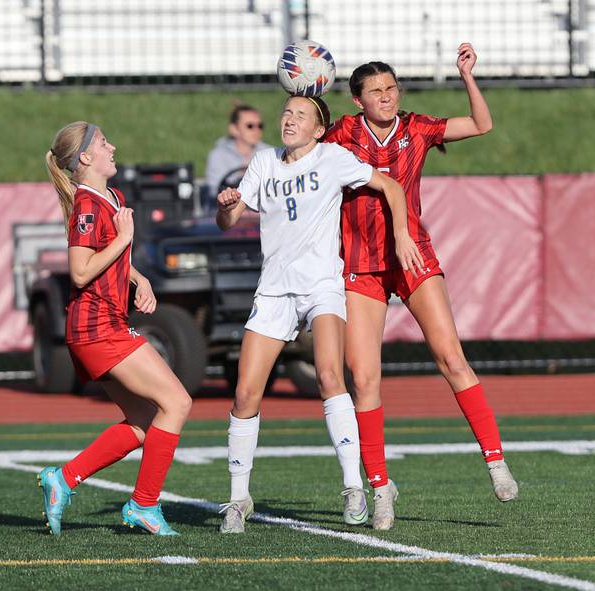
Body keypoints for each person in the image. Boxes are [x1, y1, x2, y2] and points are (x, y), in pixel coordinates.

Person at [324, 44, 519, 530]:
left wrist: (467, 76)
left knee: (451, 357)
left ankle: (495, 460)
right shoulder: (342, 134)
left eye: (391, 88)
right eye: (376, 91)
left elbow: (480, 125)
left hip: (413, 258)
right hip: (362, 266)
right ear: (357, 101)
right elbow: (302, 155)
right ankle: (380, 486)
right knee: (364, 378)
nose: (387, 97)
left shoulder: (416, 127)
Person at [215, 95, 421, 534]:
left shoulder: (332, 158)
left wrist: (402, 234)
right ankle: (237, 499)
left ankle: (352, 487)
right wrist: (226, 204)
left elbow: (391, 186)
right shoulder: (265, 161)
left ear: (317, 129)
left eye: (300, 115)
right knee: (245, 394)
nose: (290, 120)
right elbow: (228, 221)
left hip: (321, 285)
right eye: (286, 113)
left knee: (331, 376)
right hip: (273, 290)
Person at [38, 121, 192, 537]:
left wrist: (138, 278)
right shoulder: (87, 207)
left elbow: (111, 260)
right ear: (85, 158)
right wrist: (124, 240)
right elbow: (80, 271)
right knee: (176, 403)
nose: (113, 146)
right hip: (96, 329)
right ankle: (144, 505)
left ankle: (64, 479)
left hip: (105, 324)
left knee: (144, 421)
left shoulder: (111, 197)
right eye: (104, 143)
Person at [205, 104, 272, 203]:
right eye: (250, 126)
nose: (256, 130)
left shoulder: (270, 153)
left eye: (260, 126)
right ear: (234, 129)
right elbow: (214, 191)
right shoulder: (218, 156)